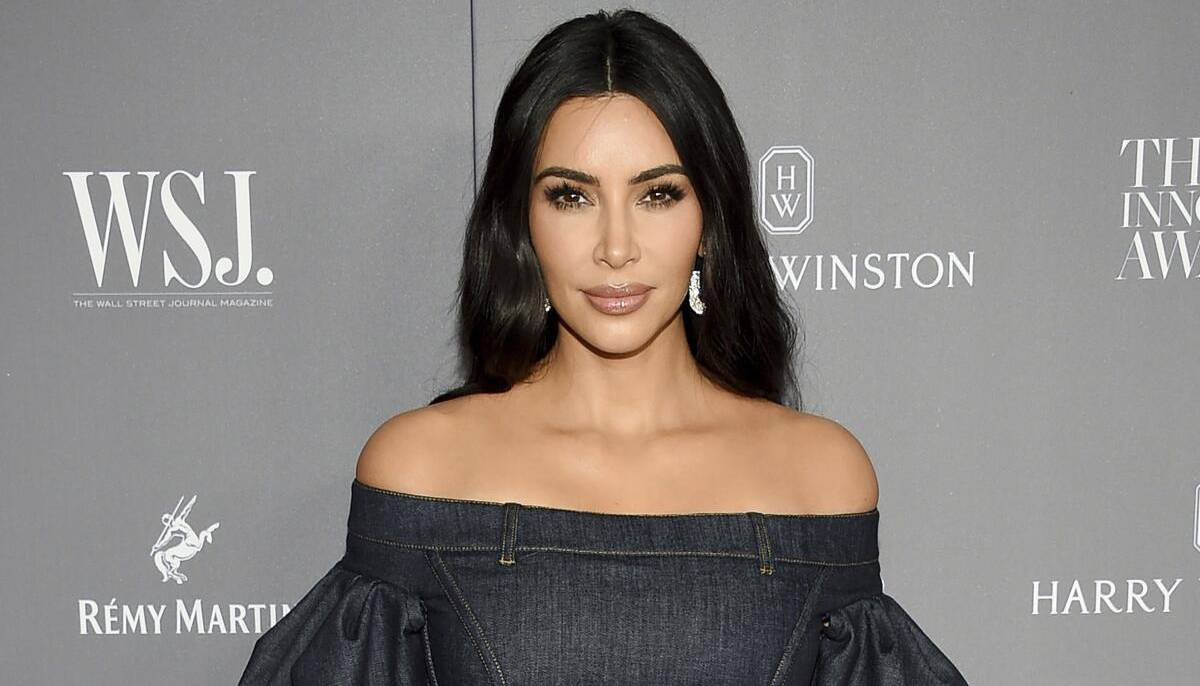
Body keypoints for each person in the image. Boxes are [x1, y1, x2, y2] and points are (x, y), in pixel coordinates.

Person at [239, 8, 968, 684]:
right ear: (521, 222)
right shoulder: (420, 470)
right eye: (571, 196)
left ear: (710, 221)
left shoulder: (821, 476)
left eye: (658, 194)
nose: (616, 247)